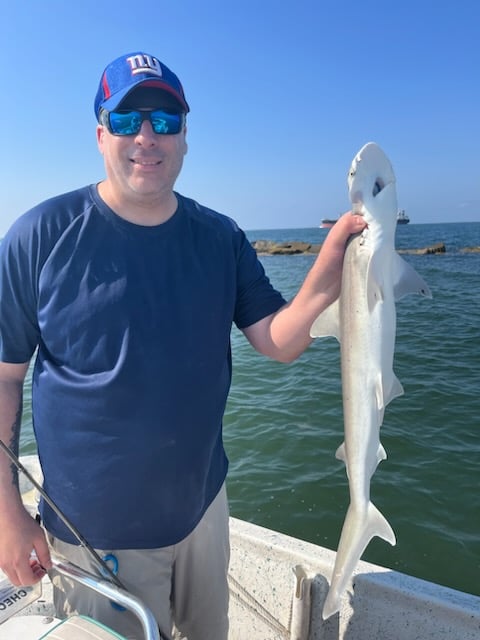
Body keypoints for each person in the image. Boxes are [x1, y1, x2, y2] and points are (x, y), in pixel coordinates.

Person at [0, 51, 366, 639]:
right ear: (101, 134)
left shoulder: (220, 236)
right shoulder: (39, 236)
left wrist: (326, 276)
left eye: (165, 120)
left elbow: (276, 341)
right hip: (92, 531)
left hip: (202, 513)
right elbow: (5, 375)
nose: (147, 135)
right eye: (127, 120)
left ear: (185, 137)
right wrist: (7, 512)